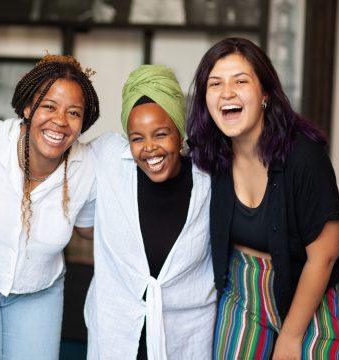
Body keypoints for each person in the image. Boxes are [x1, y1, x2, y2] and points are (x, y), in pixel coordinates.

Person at [187, 37, 339, 359]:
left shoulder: (304, 156)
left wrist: (291, 335)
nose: (227, 92)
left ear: (265, 94)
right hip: (243, 290)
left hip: (312, 290)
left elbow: (325, 255)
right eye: (215, 84)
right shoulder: (210, 156)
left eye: (240, 81)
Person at [0, 54, 100, 359]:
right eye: (48, 106)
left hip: (40, 295)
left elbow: (90, 229)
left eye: (73, 112)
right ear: (27, 107)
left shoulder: (88, 168)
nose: (60, 121)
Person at [85, 64, 216, 359]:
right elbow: (58, 161)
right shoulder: (108, 158)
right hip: (116, 334)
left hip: (187, 338)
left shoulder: (210, 178)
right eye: (137, 138)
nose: (149, 148)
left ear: (180, 132)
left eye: (160, 134)